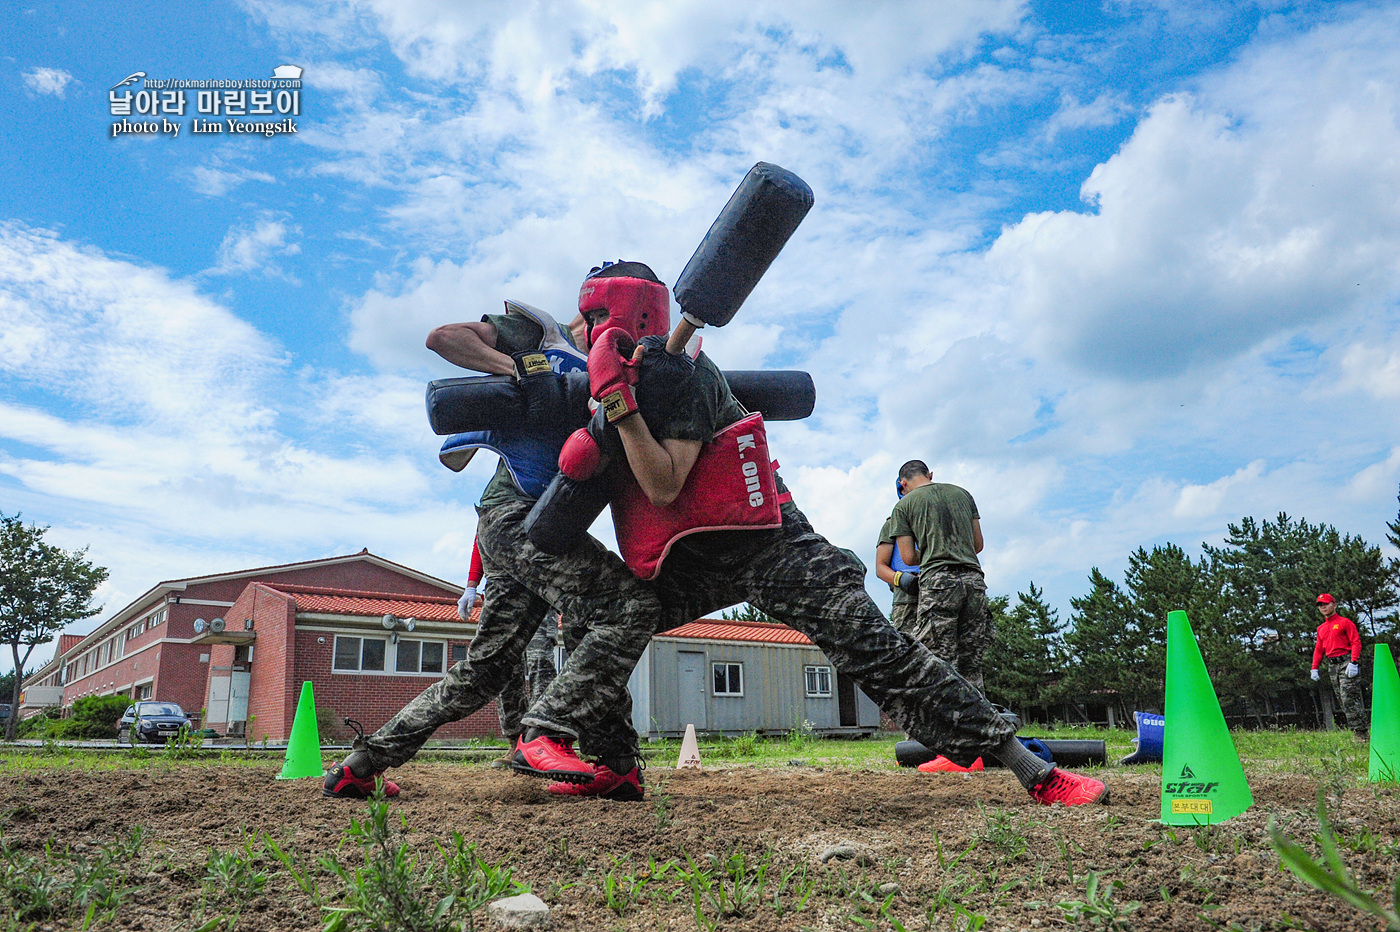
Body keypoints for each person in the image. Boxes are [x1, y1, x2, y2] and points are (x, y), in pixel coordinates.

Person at [552, 260, 1107, 807]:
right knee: (589, 619)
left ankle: (1032, 770)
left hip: (772, 546)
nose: (581, 329)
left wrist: (620, 406)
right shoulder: (602, 385)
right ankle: (617, 767)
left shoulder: (683, 374)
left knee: (879, 649)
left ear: (630, 312)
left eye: (592, 316)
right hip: (691, 557)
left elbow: (663, 486)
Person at [322, 299, 660, 802]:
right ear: (599, 315)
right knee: (625, 607)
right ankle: (555, 738)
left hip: (547, 524)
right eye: (625, 331)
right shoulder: (540, 335)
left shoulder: (618, 376)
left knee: (488, 669)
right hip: (516, 517)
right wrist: (521, 369)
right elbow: (443, 337)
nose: (625, 344)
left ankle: (361, 766)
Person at [889, 461, 993, 694]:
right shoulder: (963, 495)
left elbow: (907, 557)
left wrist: (930, 551)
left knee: (938, 661)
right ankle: (977, 726)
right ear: (930, 474)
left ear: (902, 483)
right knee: (972, 663)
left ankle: (945, 726)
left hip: (938, 583)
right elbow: (978, 544)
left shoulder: (904, 505)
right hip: (974, 582)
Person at [1310, 593, 1365, 739]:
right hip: (1332, 665)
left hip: (1346, 663)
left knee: (1349, 697)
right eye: (1320, 605)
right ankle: (1356, 731)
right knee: (1342, 699)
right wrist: (1314, 667)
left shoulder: (1345, 622)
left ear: (1334, 605)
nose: (1323, 607)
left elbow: (1355, 642)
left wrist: (1353, 662)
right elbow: (1319, 649)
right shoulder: (1321, 628)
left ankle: (1361, 733)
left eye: (1326, 604)